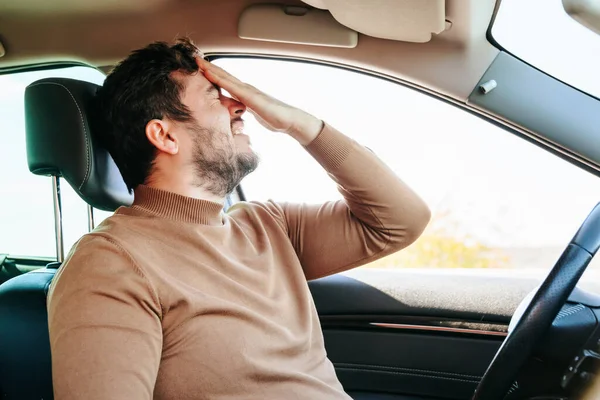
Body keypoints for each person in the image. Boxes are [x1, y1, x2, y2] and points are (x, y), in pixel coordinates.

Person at [47, 37, 431, 400]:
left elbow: (401, 220)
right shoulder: (110, 262)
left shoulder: (268, 225)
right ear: (164, 135)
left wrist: (299, 124)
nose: (242, 105)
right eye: (216, 96)